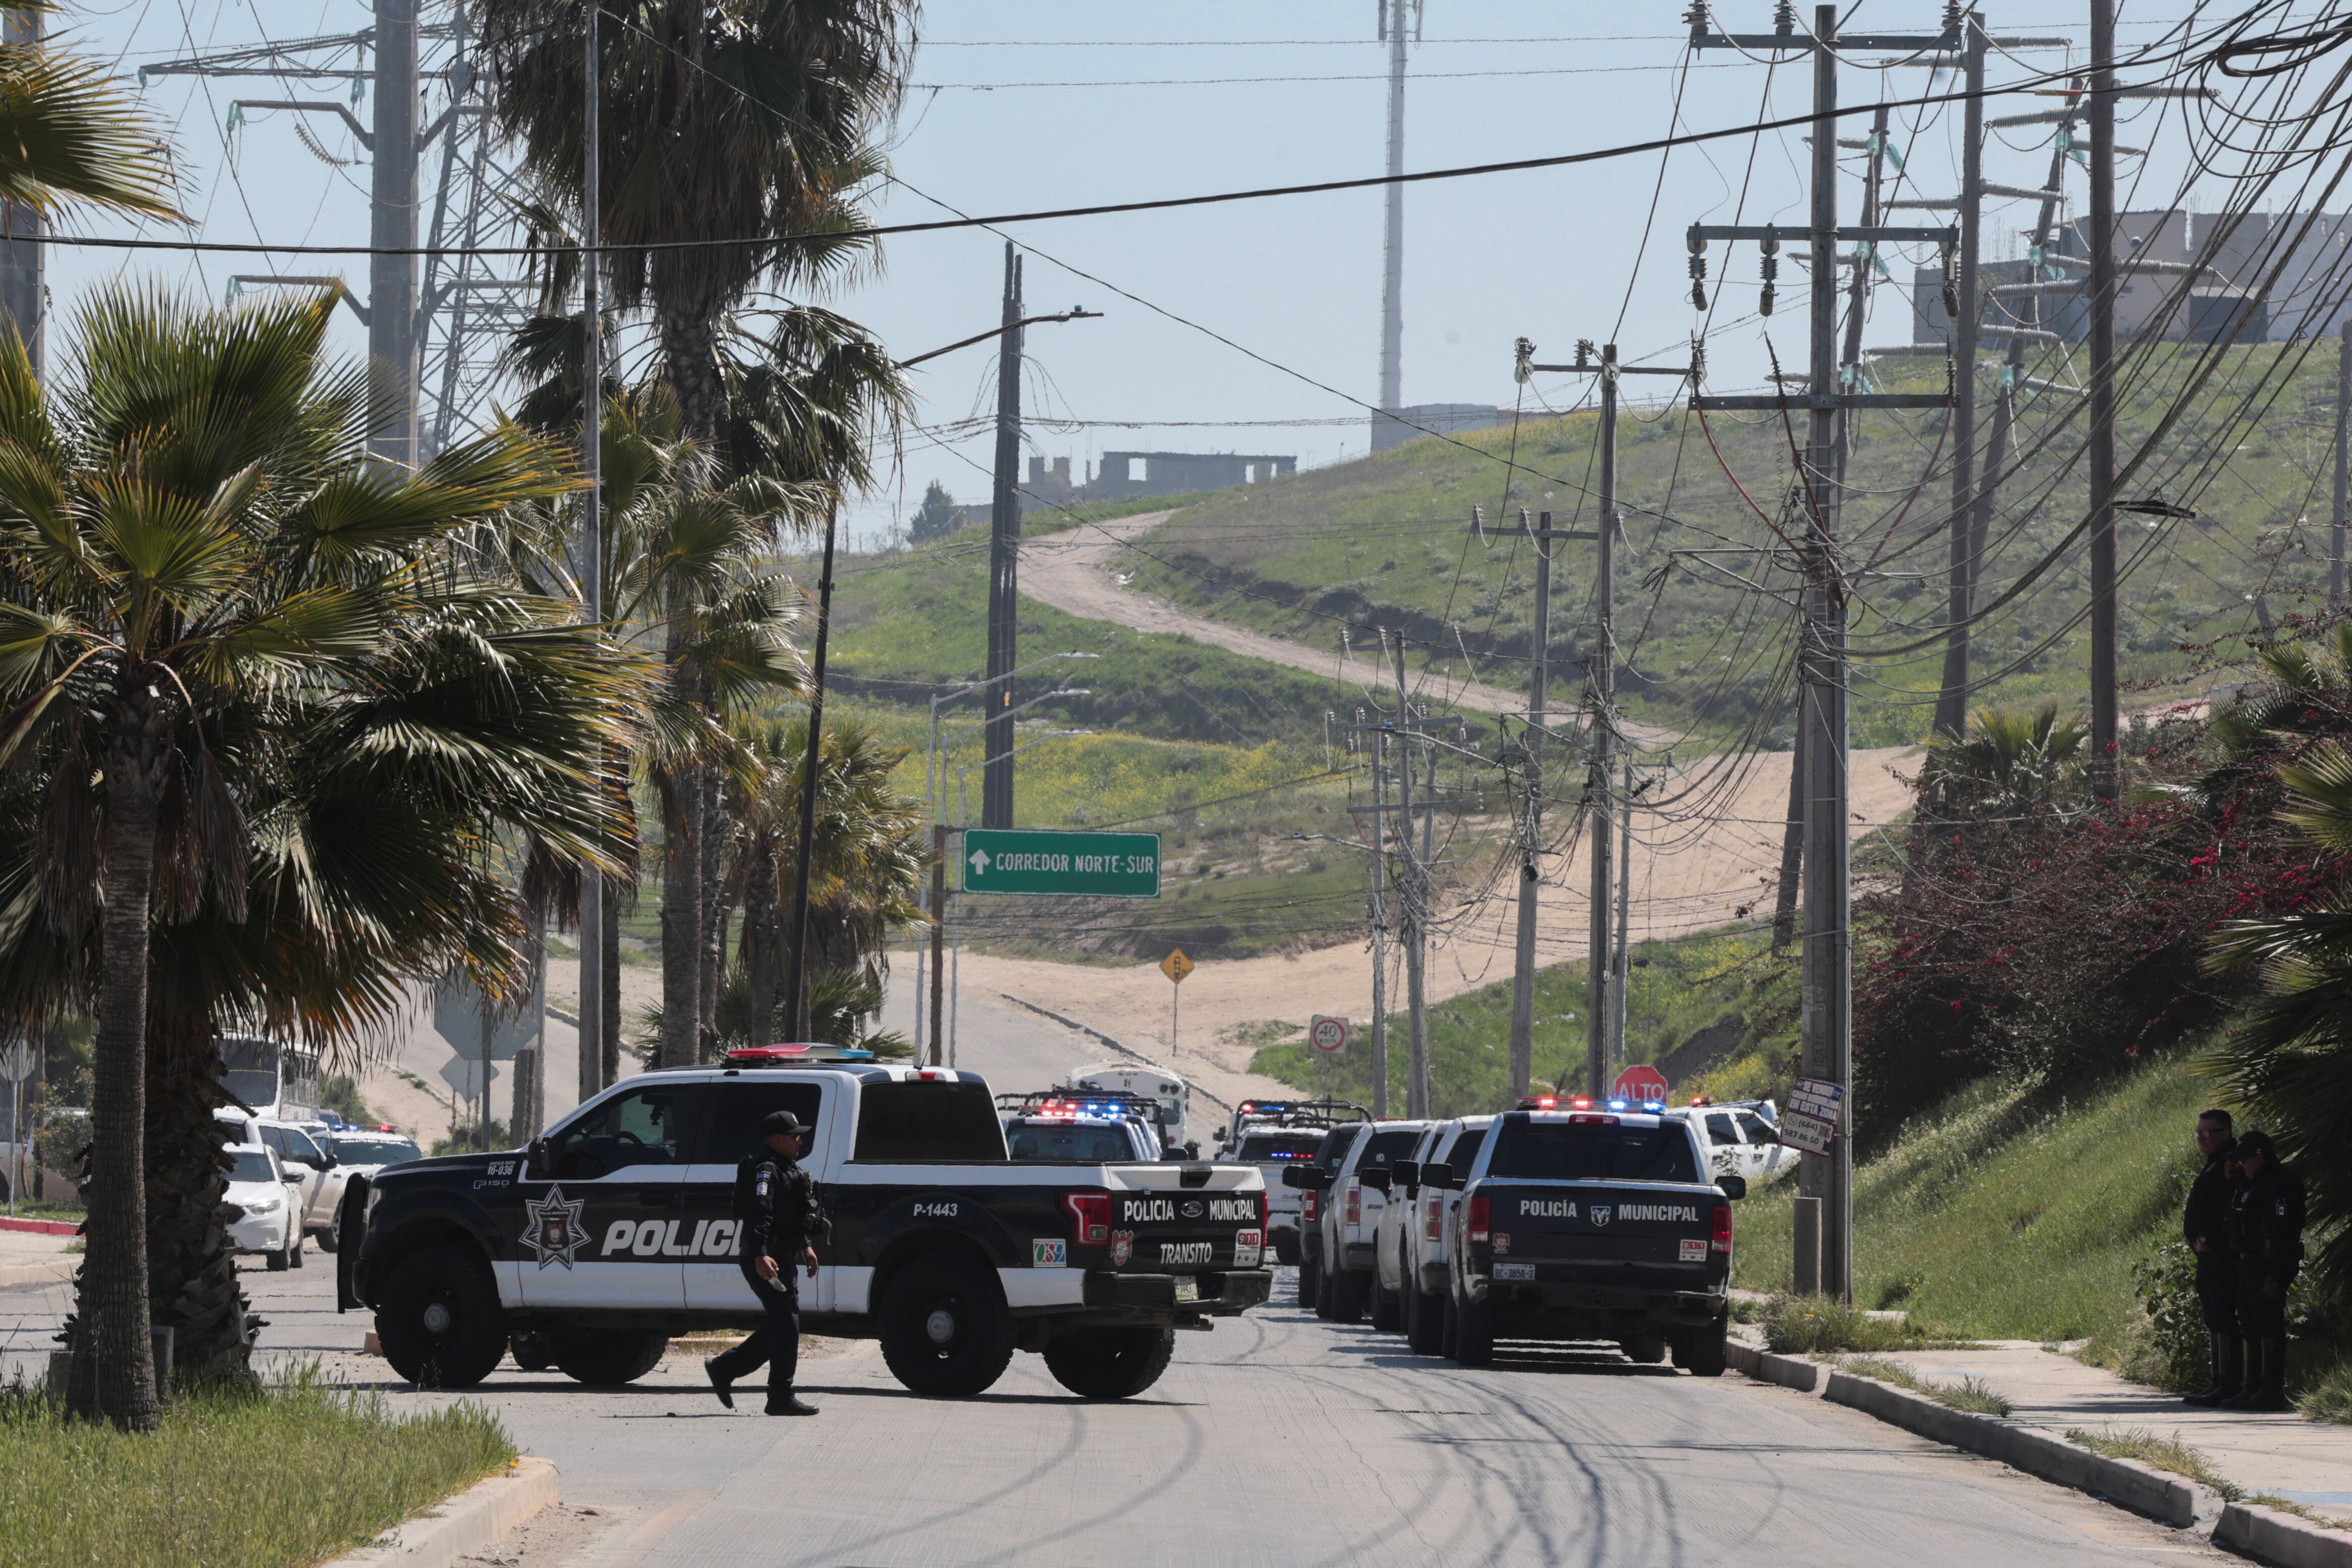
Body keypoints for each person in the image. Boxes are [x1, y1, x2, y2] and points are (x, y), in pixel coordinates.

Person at [707, 1110, 826, 1417]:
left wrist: (806, 1246)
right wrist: (760, 1254)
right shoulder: (766, 1171)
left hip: (781, 1257)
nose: (800, 1142)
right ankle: (780, 1397)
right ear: (776, 1139)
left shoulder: (788, 1169)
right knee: (787, 1324)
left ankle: (725, 1368)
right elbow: (760, 1213)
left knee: (782, 1324)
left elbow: (790, 1215)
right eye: (795, 1136)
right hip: (764, 1259)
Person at [2223, 1129, 2305, 1413]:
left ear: (2259, 1157)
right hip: (2249, 1262)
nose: (2241, 1165)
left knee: (2268, 1324)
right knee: (2249, 1322)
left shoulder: (2282, 1183)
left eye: (2244, 1159)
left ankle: (2271, 1390)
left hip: (2269, 1262)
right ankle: (2252, 1387)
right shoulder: (2250, 1183)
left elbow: (2283, 1233)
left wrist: (2275, 1276)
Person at [2181, 1109, 2240, 1406]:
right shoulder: (2213, 1164)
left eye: (2207, 1133)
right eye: (2199, 1133)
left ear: (2225, 1134)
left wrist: (2207, 1238)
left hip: (2222, 1254)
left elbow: (2228, 1208)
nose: (2201, 1139)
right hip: (2207, 1256)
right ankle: (2218, 1381)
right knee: (2213, 1314)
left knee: (2223, 1314)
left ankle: (2230, 1384)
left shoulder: (2230, 1163)